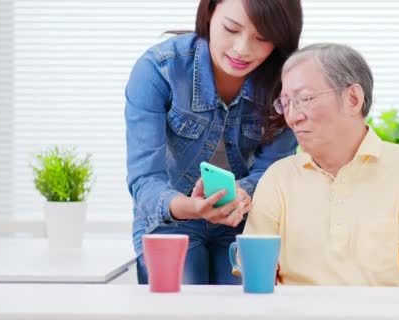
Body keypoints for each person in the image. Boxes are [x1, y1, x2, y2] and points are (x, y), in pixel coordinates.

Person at [125, 0, 303, 285]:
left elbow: (273, 173)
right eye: (231, 29)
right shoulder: (158, 70)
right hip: (171, 221)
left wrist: (242, 193)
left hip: (245, 220)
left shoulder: (284, 81)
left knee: (244, 303)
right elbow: (145, 181)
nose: (243, 49)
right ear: (209, 14)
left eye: (262, 37)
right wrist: (190, 207)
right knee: (183, 303)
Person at [243, 43, 399, 287]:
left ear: (353, 99)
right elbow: (257, 287)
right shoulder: (278, 177)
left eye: (304, 99)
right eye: (286, 103)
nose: (292, 116)